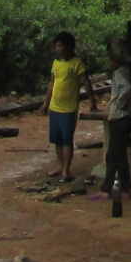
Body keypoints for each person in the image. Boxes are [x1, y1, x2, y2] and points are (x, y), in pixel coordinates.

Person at [40, 31, 96, 182]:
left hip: (69, 108)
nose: (57, 49)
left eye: (60, 46)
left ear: (69, 47)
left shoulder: (77, 63)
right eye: (56, 46)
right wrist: (46, 102)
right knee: (57, 139)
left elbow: (85, 82)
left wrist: (92, 101)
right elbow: (52, 83)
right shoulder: (56, 63)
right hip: (54, 107)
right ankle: (60, 165)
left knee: (67, 139)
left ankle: (66, 169)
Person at [97, 39, 131, 205]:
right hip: (124, 117)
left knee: (117, 155)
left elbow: (127, 89)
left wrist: (118, 104)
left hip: (120, 117)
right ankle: (107, 188)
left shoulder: (120, 74)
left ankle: (125, 187)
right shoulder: (127, 71)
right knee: (112, 154)